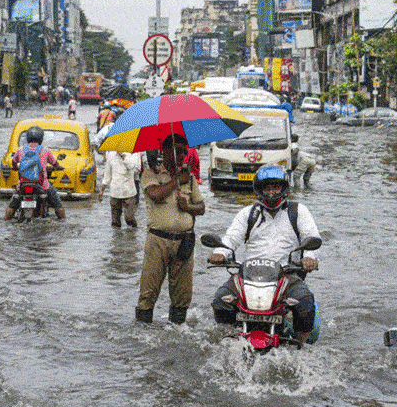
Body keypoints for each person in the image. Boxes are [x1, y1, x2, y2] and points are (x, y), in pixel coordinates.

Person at [209, 164, 320, 348]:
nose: (271, 192)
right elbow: (231, 238)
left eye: (276, 187)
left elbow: (311, 237)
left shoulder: (299, 211)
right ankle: (228, 342)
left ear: (284, 188)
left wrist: (309, 257)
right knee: (221, 301)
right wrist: (220, 253)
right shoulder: (248, 213)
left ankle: (300, 347)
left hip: (287, 276)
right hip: (249, 276)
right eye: (267, 188)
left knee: (306, 306)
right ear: (259, 190)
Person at [136, 133, 205, 325]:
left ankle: (177, 330)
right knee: (148, 291)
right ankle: (143, 333)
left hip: (184, 241)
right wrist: (176, 181)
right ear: (164, 151)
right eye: (177, 150)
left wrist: (188, 208)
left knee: (182, 294)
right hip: (158, 240)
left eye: (184, 151)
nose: (182, 154)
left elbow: (201, 208)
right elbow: (156, 194)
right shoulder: (151, 174)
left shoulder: (189, 178)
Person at [4, 126, 66, 220]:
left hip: (23, 185)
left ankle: (6, 219)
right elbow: (55, 164)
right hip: (41, 185)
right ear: (41, 138)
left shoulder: (21, 150)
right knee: (58, 204)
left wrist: (16, 168)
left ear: (28, 138)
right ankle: (63, 221)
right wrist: (59, 168)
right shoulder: (45, 150)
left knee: (12, 205)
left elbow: (14, 162)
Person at [98, 151, 140, 228]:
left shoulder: (133, 153)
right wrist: (102, 191)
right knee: (115, 221)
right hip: (115, 192)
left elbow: (134, 168)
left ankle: (133, 234)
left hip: (129, 192)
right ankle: (116, 238)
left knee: (129, 218)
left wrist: (123, 157)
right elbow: (107, 175)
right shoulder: (111, 155)